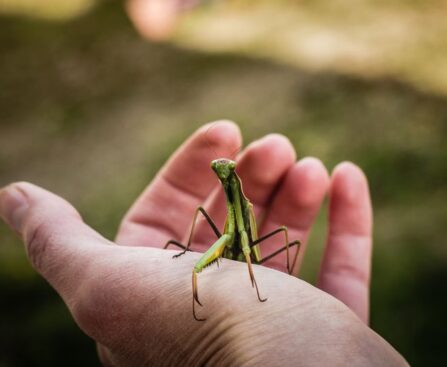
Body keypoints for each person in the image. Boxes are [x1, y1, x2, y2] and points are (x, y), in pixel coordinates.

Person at [0, 122, 408, 366]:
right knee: (201, 241)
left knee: (282, 236)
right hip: (232, 242)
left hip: (249, 246)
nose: (221, 170)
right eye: (220, 168)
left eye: (223, 168)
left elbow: (245, 236)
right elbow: (222, 225)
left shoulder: (242, 198)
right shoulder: (225, 199)